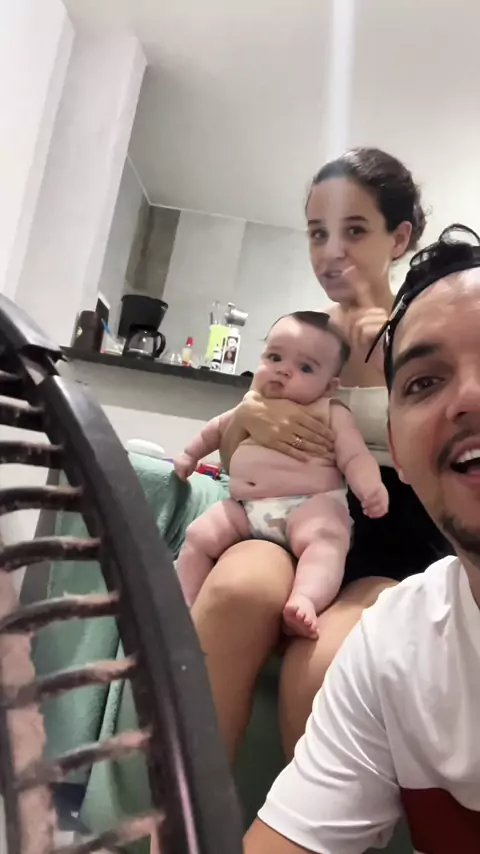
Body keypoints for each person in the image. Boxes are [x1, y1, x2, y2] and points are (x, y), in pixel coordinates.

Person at [191, 148, 452, 763]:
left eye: (354, 231)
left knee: (324, 661)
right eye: (317, 233)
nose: (330, 251)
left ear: (399, 238)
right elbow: (232, 460)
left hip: (392, 529)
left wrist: (395, 360)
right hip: (287, 516)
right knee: (235, 593)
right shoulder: (305, 338)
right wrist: (249, 417)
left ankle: (299, 817)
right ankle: (178, 811)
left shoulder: (429, 329)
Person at [244, 223, 480, 854]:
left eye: (354, 229)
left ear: (398, 237)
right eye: (424, 381)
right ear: (396, 446)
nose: (468, 397)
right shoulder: (392, 646)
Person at [174, 312, 388, 636]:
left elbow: (355, 455)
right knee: (199, 535)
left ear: (329, 386)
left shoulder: (330, 412)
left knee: (327, 540)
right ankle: (183, 604)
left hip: (308, 506)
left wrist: (369, 487)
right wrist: (190, 455)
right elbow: (214, 431)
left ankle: (306, 598)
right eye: (274, 357)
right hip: (245, 509)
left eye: (305, 368)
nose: (283, 370)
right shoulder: (253, 404)